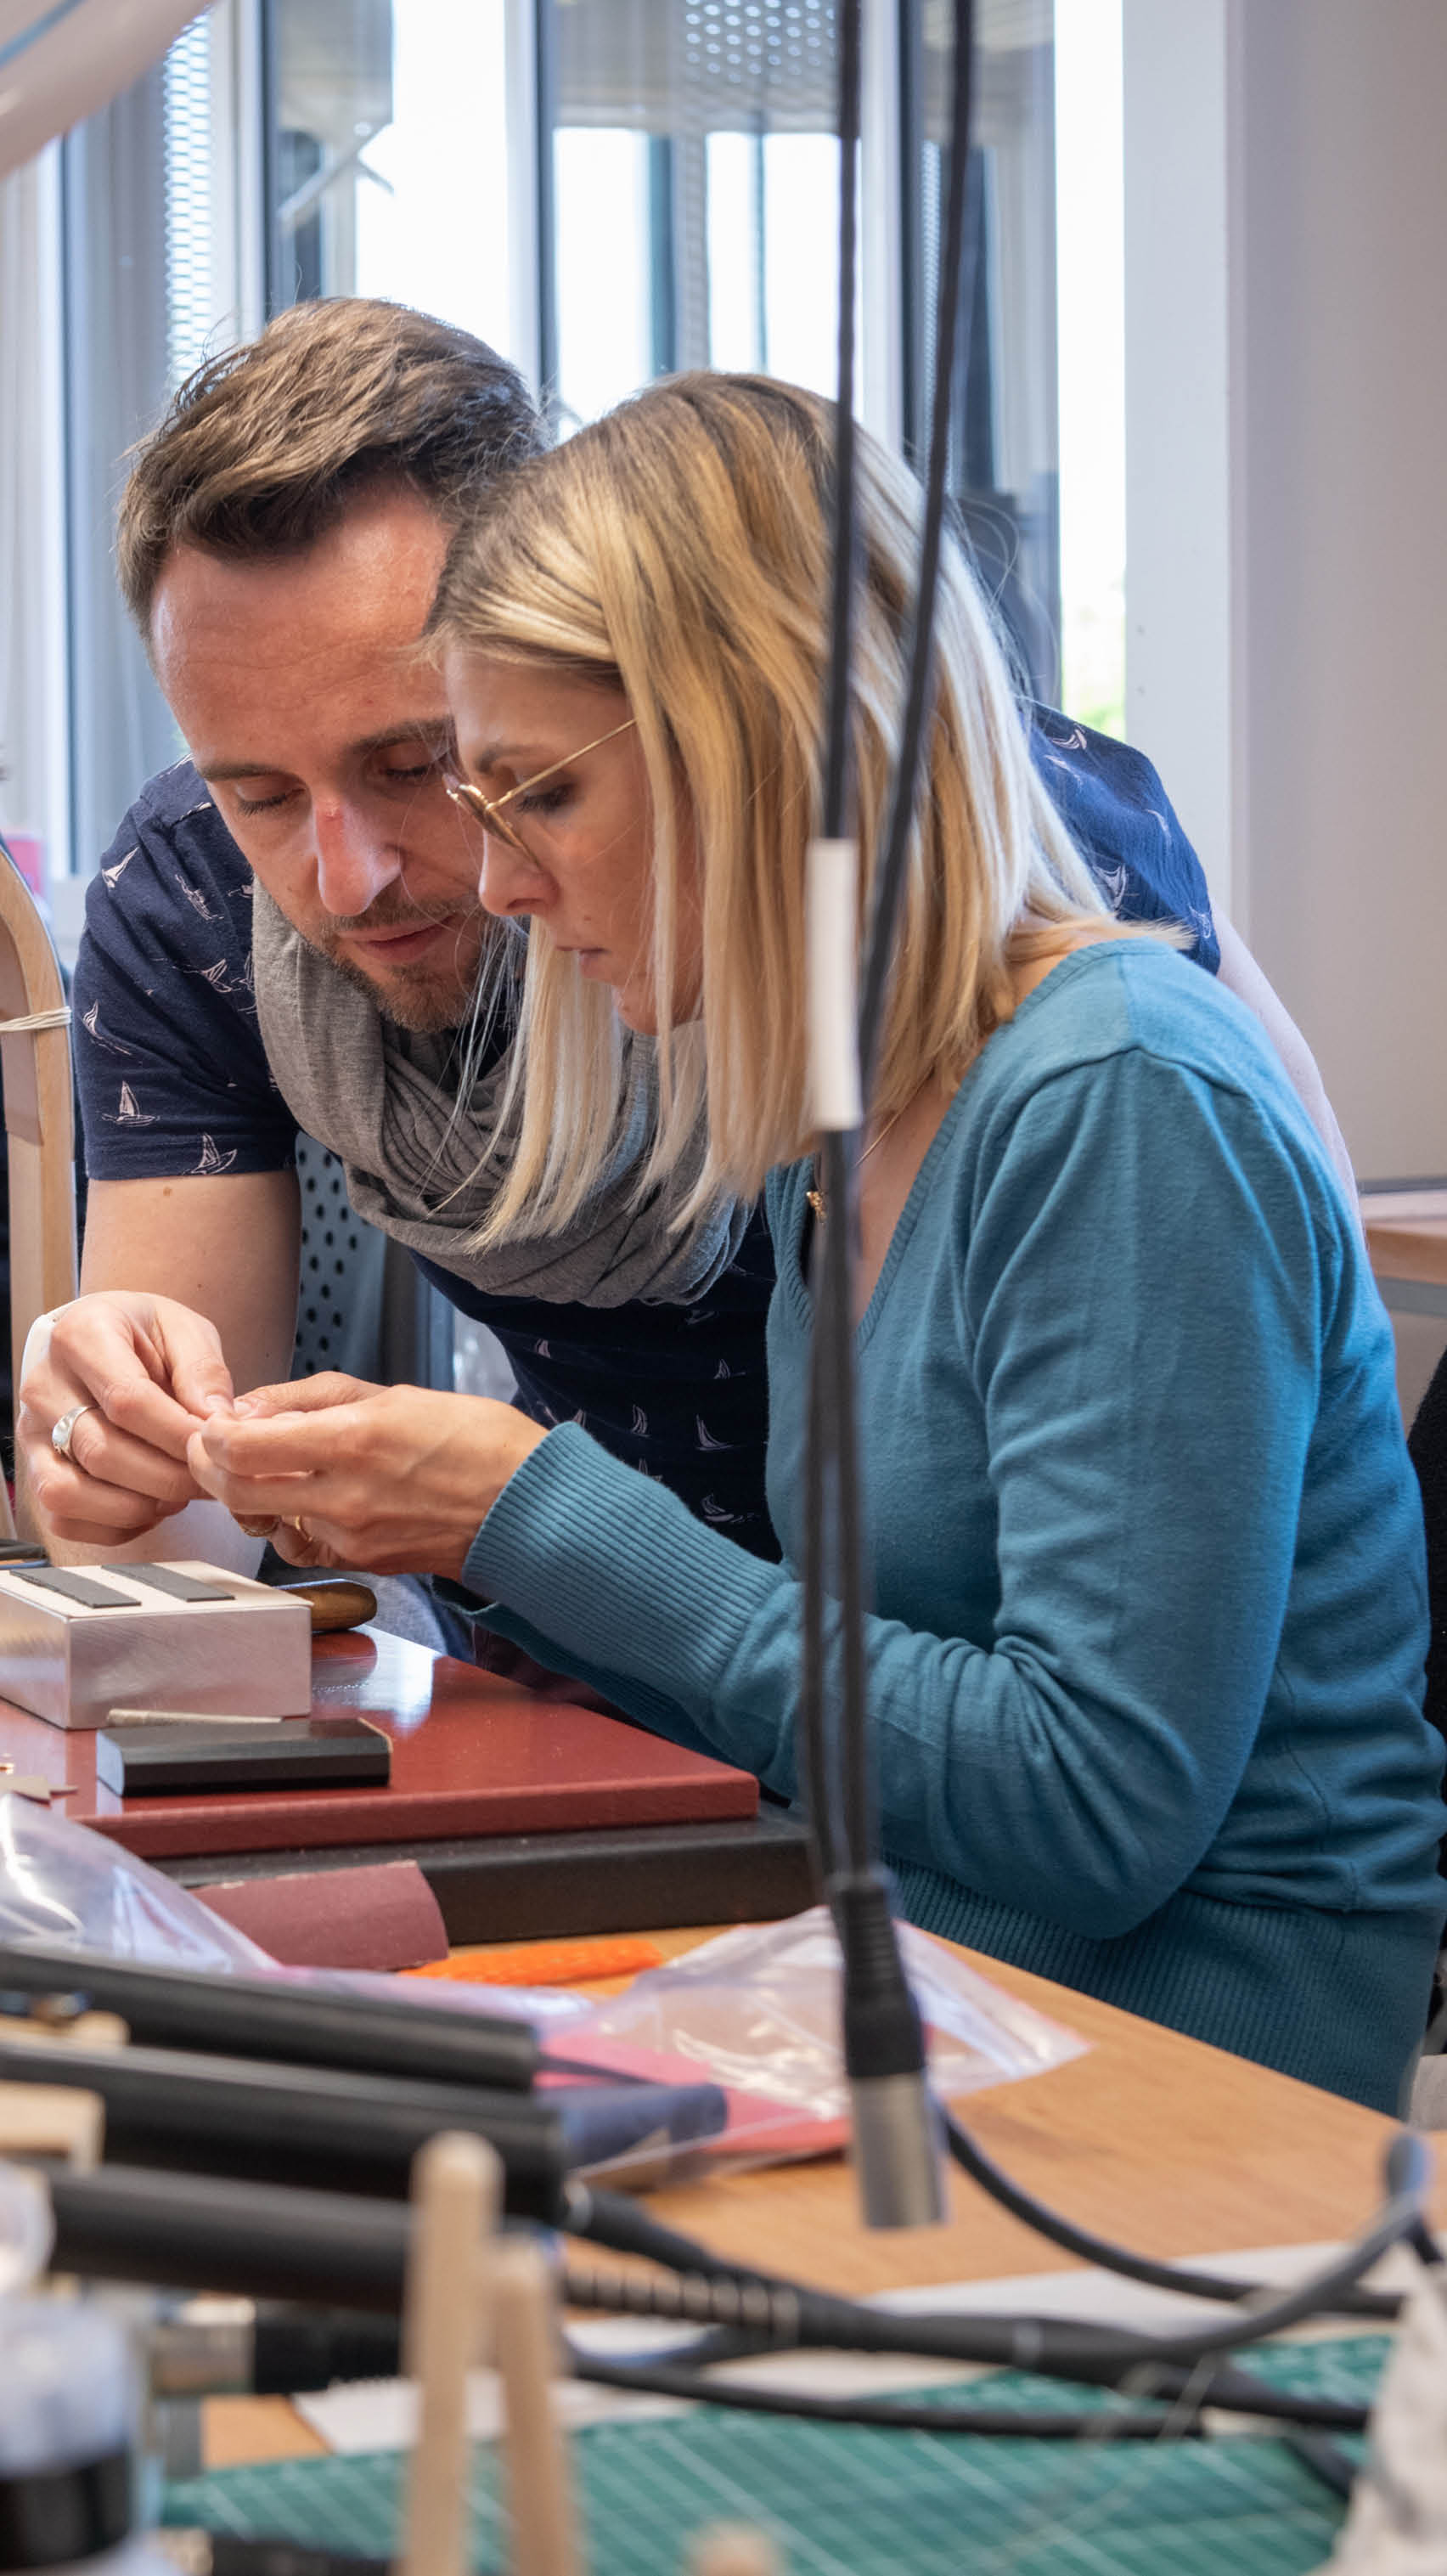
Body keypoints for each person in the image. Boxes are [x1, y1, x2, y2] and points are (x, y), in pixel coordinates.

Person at [187, 373, 1443, 2111]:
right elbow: (855, 1698)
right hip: (942, 1978)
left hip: (1203, 2058)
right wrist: (451, 1534)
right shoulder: (832, 1130)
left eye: (540, 797)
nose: (502, 890)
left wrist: (530, 1504)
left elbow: (1088, 1806)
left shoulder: (1121, 1098)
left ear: (769, 752)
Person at [17, 297, 1344, 1581]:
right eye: (256, 792)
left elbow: (1277, 1440)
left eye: (435, 763)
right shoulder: (198, 899)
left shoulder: (1030, 943)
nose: (350, 877)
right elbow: (169, 1554)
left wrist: (524, 1520)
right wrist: (110, 1439)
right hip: (696, 1690)